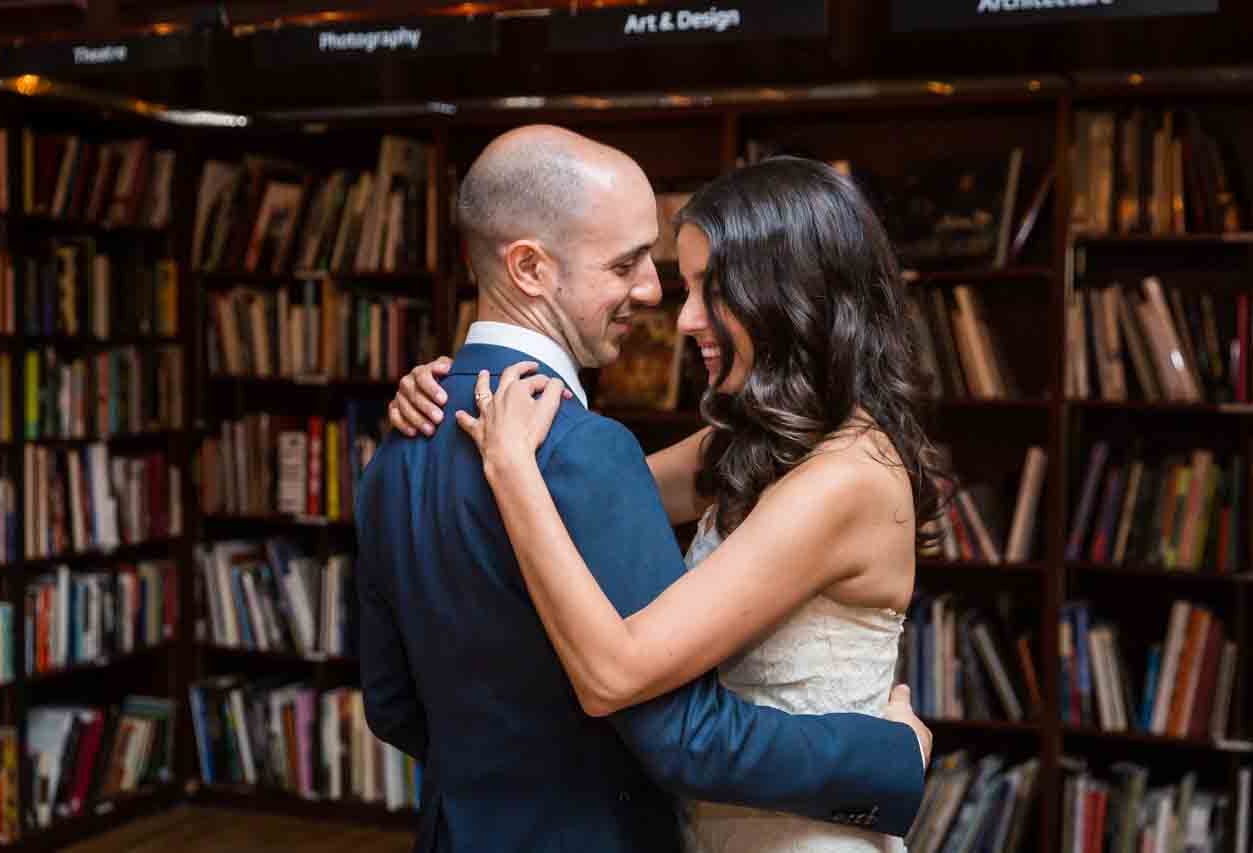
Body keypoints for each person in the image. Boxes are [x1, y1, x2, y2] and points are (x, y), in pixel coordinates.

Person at [357, 126, 930, 853]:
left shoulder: (399, 458)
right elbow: (658, 709)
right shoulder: (719, 447)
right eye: (635, 265)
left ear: (790, 299)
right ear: (529, 267)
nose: (675, 311)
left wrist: (503, 461)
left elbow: (393, 706)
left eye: (707, 289)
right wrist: (886, 758)